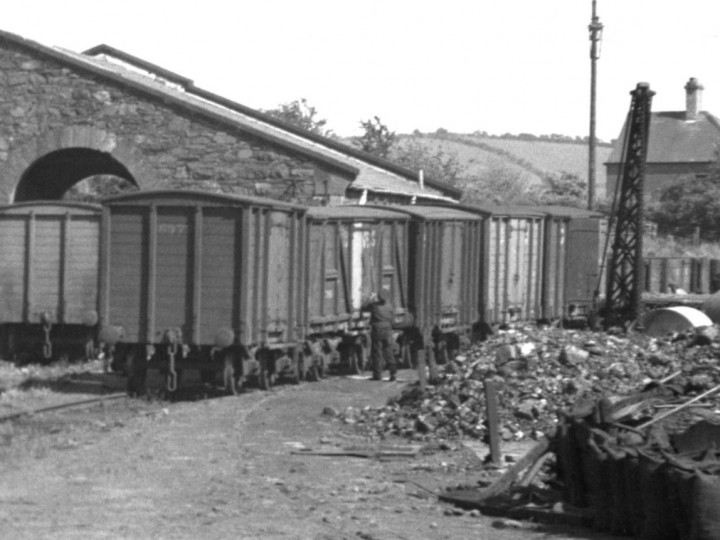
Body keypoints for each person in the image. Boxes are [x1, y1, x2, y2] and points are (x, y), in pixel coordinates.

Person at [362, 290, 396, 381]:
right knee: (389, 353)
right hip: (388, 330)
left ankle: (377, 375)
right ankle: (393, 374)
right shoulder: (390, 307)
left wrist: (371, 298)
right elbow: (393, 319)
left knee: (377, 353)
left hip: (377, 330)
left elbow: (364, 307)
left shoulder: (374, 306)